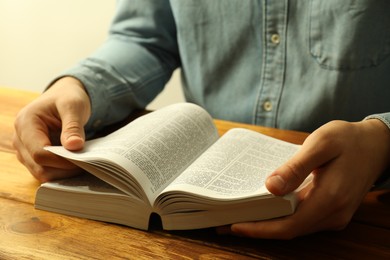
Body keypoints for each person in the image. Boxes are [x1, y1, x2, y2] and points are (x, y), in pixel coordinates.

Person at [13, 0, 390, 239]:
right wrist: (78, 85)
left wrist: (383, 140)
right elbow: (145, 38)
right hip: (195, 224)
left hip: (369, 216)